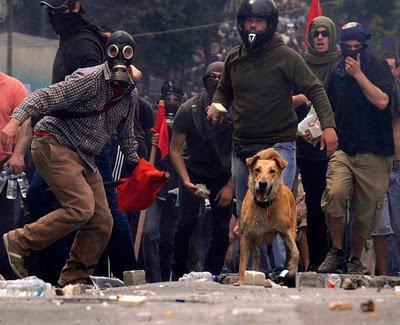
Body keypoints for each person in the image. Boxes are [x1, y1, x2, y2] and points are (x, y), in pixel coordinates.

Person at [0, 31, 140, 286]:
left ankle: (74, 278)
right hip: (54, 143)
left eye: (126, 54)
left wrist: (136, 165)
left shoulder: (130, 93)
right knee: (80, 207)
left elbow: (127, 132)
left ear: (131, 59)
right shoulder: (89, 79)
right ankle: (18, 241)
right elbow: (43, 96)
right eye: (114, 53)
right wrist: (15, 121)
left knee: (102, 221)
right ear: (107, 55)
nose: (120, 59)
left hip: (86, 157)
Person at [209, 0, 337, 270]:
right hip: (244, 149)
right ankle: (258, 272)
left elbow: (315, 89)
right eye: (248, 21)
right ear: (241, 24)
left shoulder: (287, 57)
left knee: (278, 210)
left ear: (270, 24)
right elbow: (223, 91)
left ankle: (284, 270)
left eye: (259, 21)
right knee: (249, 217)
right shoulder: (234, 57)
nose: (253, 26)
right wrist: (217, 106)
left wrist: (328, 127)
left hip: (278, 146)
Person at [318, 22, 394, 274]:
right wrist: (324, 129)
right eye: (347, 47)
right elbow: (327, 106)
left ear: (364, 46)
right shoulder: (336, 70)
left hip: (375, 150)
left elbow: (382, 101)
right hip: (345, 148)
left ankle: (355, 259)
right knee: (335, 193)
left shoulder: (378, 66)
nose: (352, 51)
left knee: (365, 212)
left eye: (357, 47)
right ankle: (337, 251)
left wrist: (359, 75)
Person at [170, 62, 234, 279]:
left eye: (220, 76)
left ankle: (212, 274)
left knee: (220, 229)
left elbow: (241, 152)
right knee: (186, 222)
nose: (215, 80)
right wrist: (186, 179)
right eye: (211, 76)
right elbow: (175, 149)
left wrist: (230, 186)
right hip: (193, 169)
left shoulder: (236, 110)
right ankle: (178, 270)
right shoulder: (188, 109)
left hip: (223, 173)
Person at [293, 16, 340, 270]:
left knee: (334, 202)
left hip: (336, 145)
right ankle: (315, 263)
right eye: (316, 34)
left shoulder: (341, 66)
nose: (320, 38)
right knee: (312, 204)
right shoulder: (300, 65)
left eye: (325, 34)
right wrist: (301, 99)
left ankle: (338, 256)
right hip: (306, 145)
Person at [141, 80, 184, 283]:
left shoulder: (186, 121)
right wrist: (150, 142)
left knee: (169, 239)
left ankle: (166, 281)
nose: (173, 102)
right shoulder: (153, 120)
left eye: (176, 99)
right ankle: (154, 278)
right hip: (154, 187)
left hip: (176, 188)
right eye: (169, 99)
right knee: (149, 233)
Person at [0, 70, 28, 279]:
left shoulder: (13, 86)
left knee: (7, 224)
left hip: (6, 166)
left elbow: (27, 123)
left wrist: (18, 154)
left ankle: (8, 276)